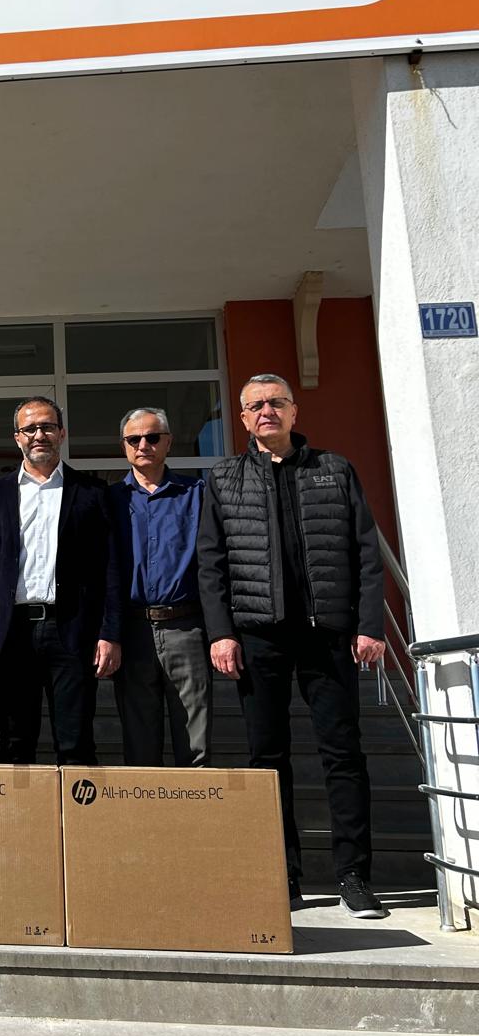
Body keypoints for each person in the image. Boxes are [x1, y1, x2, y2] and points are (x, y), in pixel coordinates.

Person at [197, 374, 388, 918]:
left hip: (328, 634)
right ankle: (282, 875)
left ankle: (354, 876)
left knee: (343, 754)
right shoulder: (223, 478)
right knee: (267, 759)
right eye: (255, 405)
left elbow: (365, 552)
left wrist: (369, 625)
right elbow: (211, 562)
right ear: (242, 417)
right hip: (259, 636)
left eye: (276, 402)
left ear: (294, 411)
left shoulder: (334, 469)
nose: (267, 411)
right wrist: (222, 632)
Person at [0, 396, 121, 764]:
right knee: (14, 742)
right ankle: (19, 806)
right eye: (29, 429)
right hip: (11, 634)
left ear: (62, 433)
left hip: (71, 631)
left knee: (76, 743)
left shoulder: (91, 493)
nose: (39, 435)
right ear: (17, 437)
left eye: (47, 427)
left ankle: (76, 804)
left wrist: (110, 633)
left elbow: (109, 568)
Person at [108, 407, 211, 767]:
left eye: (152, 437)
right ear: (123, 446)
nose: (143, 445)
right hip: (132, 630)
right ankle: (146, 807)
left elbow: (213, 562)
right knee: (140, 746)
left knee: (195, 745)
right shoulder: (110, 500)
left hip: (186, 627)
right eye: (134, 439)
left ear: (168, 442)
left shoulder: (197, 494)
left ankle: (195, 806)